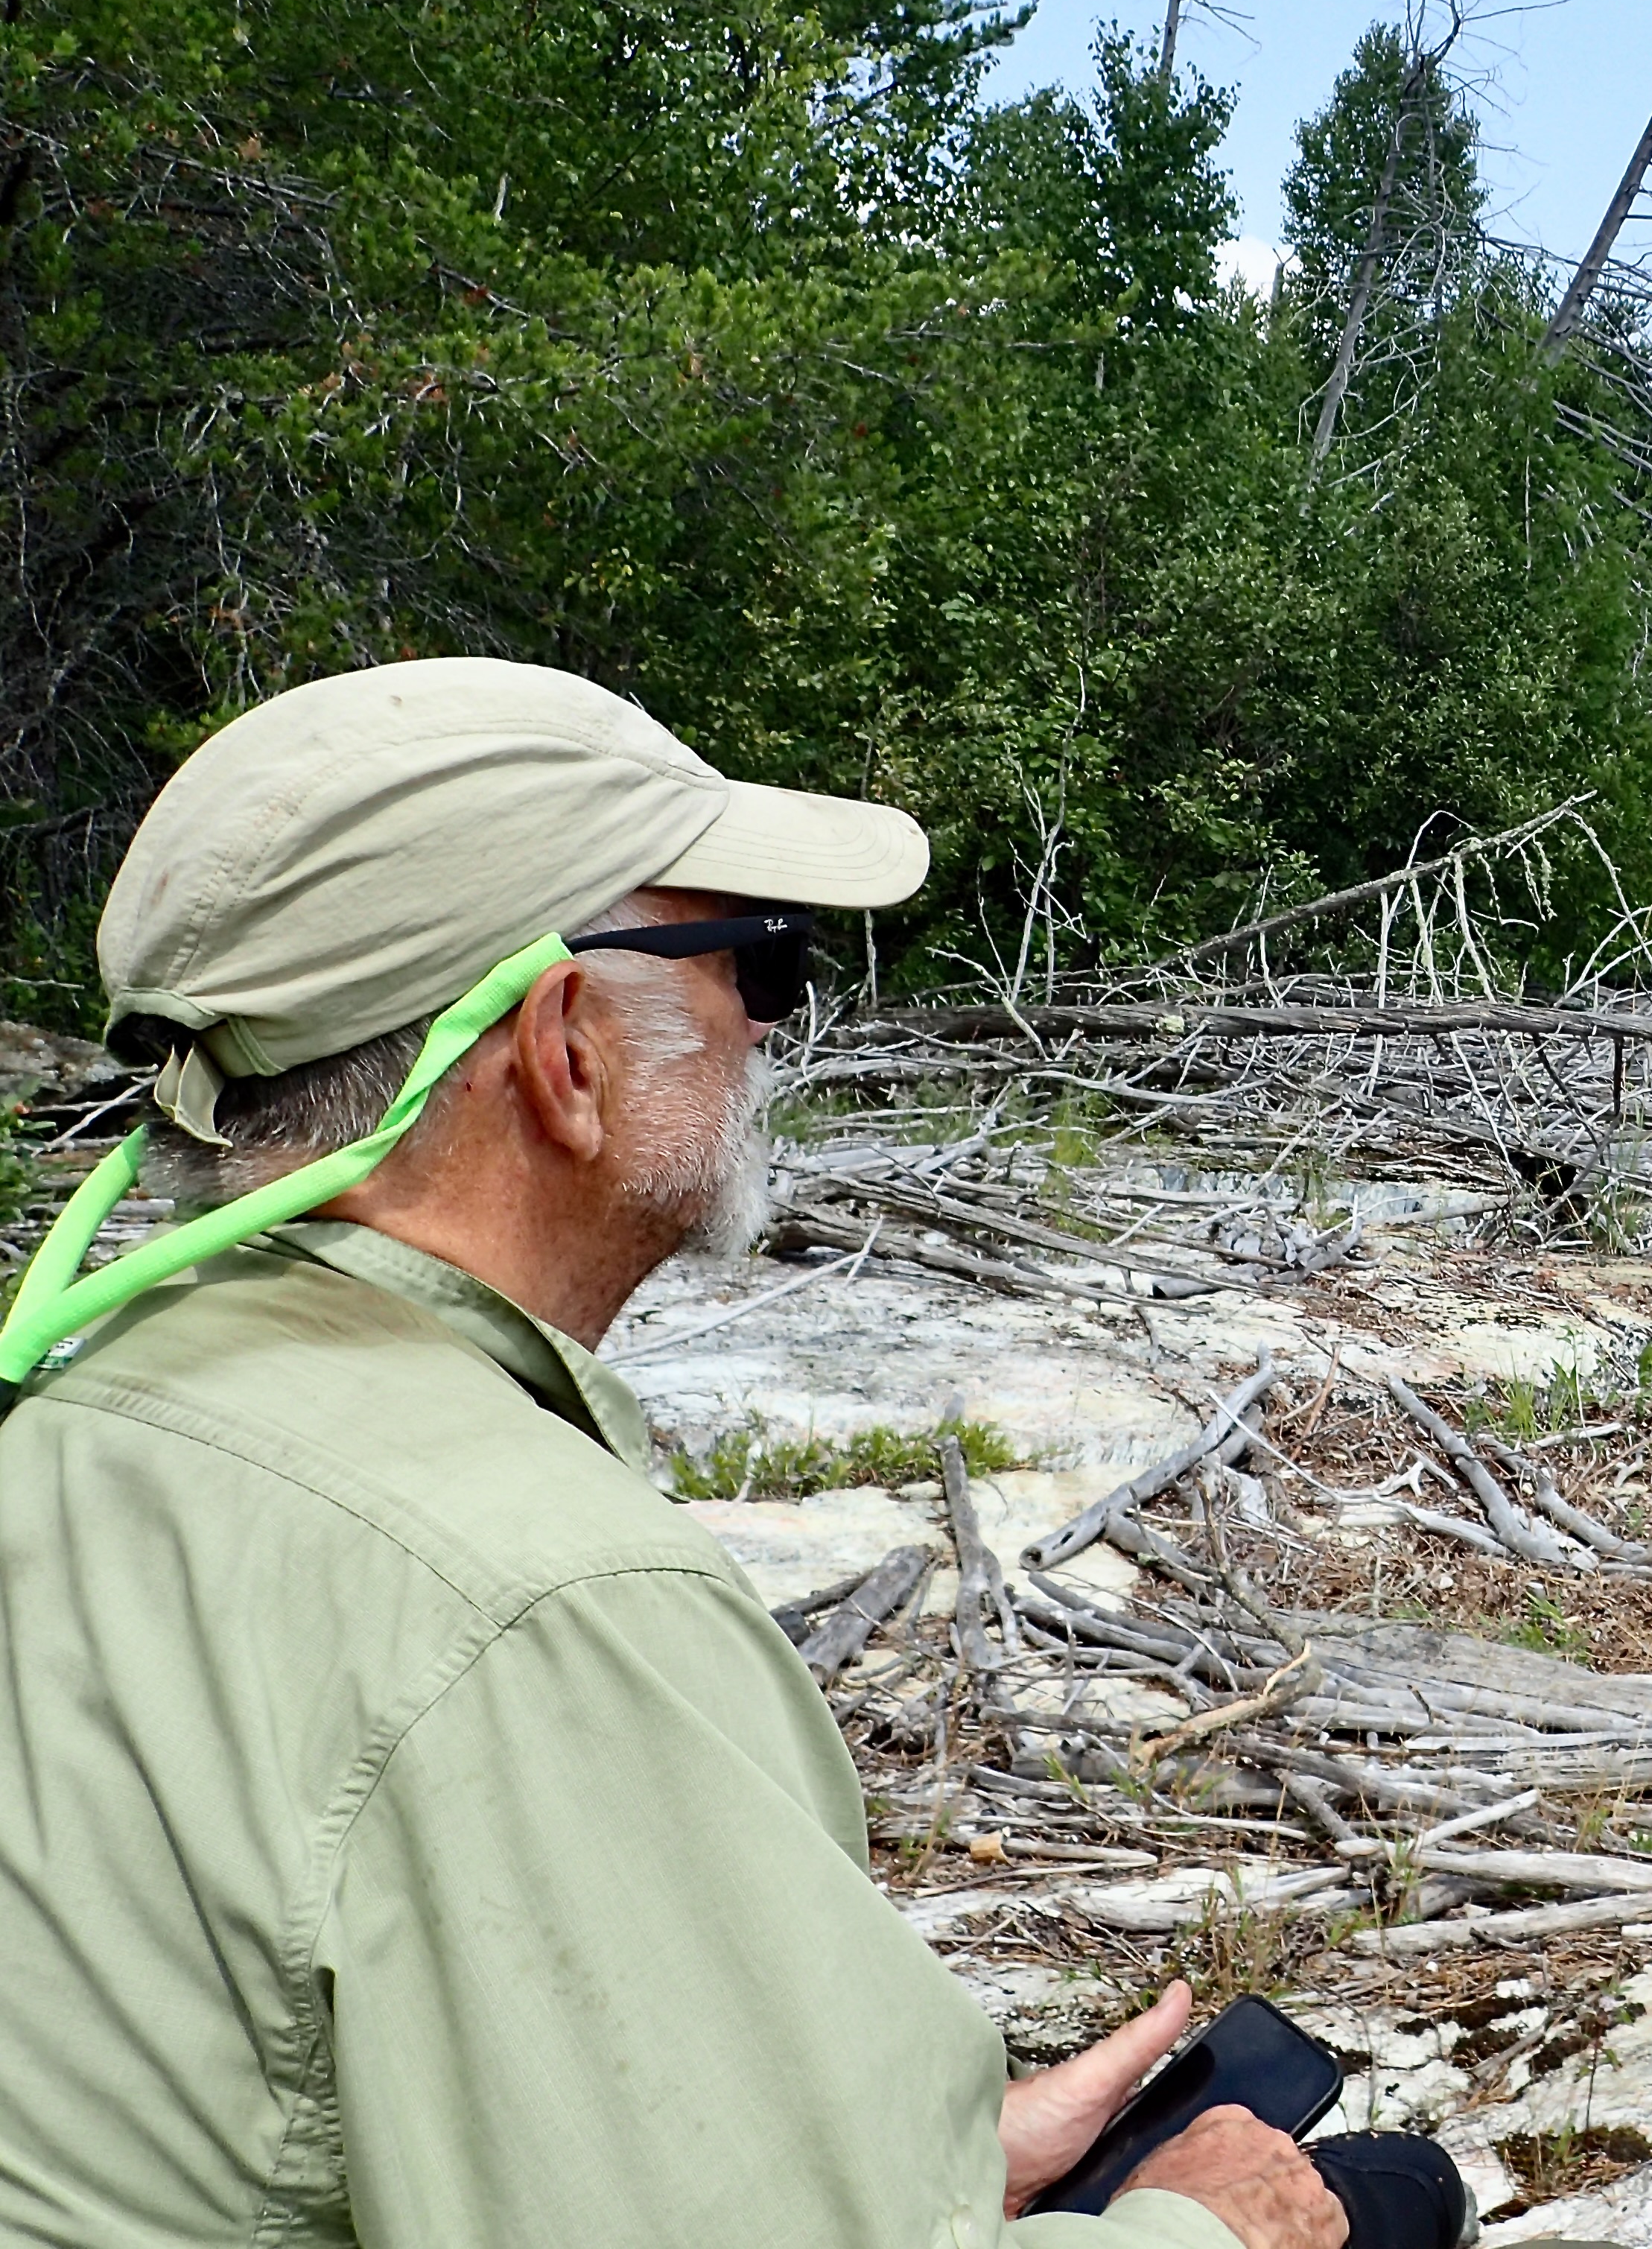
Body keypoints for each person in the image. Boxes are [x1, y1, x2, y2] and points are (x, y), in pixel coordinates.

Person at [0, 659, 1359, 2247]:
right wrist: (1207, 2230)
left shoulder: (84, 1425)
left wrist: (905, 2154)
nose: (768, 1028)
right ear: (567, 1046)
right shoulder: (529, 1598)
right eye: (756, 965)